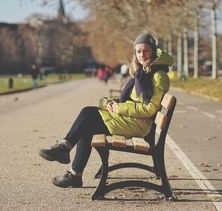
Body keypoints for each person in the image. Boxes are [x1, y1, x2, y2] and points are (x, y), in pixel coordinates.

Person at [38, 32, 174, 188]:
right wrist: (111, 104)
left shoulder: (158, 75)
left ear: (154, 51)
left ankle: (67, 154)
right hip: (132, 120)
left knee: (87, 118)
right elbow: (133, 100)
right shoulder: (142, 72)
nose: (142, 54)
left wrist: (119, 108)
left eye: (146, 50)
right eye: (138, 51)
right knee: (87, 118)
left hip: (140, 125)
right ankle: (72, 169)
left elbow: (150, 109)